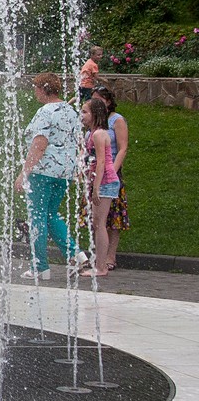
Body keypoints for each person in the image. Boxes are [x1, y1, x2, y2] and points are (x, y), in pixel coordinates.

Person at [14, 72, 88, 279]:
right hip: (64, 172)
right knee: (50, 214)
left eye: (35, 87)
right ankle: (75, 254)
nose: (34, 91)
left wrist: (24, 173)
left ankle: (40, 267)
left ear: (43, 89)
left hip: (43, 171)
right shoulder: (71, 112)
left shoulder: (45, 112)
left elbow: (39, 144)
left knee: (37, 216)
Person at [91, 85, 130, 269]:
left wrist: (112, 171)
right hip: (96, 173)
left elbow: (122, 147)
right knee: (96, 217)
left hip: (110, 171)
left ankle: (110, 256)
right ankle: (97, 255)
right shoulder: (94, 121)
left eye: (98, 99)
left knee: (113, 215)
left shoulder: (116, 120)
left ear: (108, 101)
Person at [78, 97, 118, 277]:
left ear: (95, 114)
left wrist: (96, 188)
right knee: (96, 223)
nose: (82, 115)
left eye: (85, 112)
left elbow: (101, 162)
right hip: (100, 181)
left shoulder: (99, 134)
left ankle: (101, 267)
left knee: (99, 224)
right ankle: (98, 264)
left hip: (105, 182)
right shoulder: (92, 133)